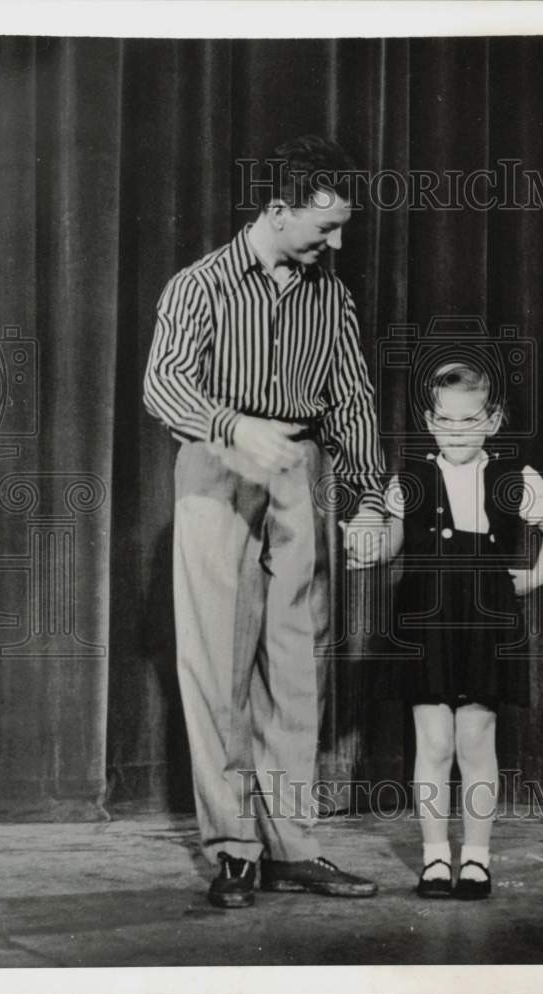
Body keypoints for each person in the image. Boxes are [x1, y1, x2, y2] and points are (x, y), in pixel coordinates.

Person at [143, 135, 388, 907]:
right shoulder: (200, 285)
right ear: (277, 210)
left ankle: (291, 846)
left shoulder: (332, 294)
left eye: (343, 227)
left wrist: (370, 496)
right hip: (220, 467)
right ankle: (235, 850)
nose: (336, 241)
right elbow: (163, 385)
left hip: (297, 469)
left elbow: (350, 399)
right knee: (218, 665)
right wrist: (229, 427)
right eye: (326, 225)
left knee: (294, 664)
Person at [385, 361, 543, 900]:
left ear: (490, 421)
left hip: (486, 620)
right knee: (434, 743)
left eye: (469, 421)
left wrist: (534, 578)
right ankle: (436, 858)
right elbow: (391, 545)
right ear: (429, 421)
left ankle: (478, 859)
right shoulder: (410, 480)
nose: (456, 431)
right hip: (425, 617)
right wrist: (365, 544)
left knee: (475, 740)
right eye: (445, 420)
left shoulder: (514, 478)